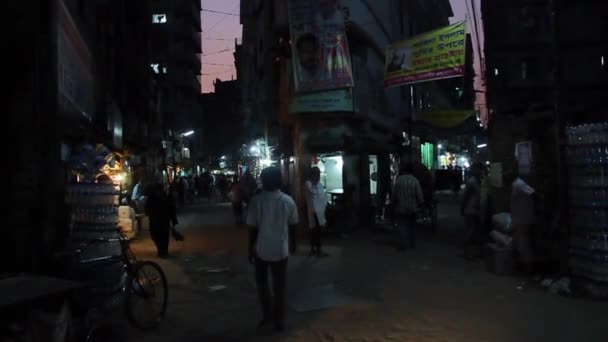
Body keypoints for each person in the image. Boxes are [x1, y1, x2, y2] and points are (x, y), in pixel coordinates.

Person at [247, 167, 298, 332]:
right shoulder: (288, 201)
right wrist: (293, 244)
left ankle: (267, 317)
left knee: (262, 285)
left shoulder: (256, 201)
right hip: (280, 250)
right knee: (279, 287)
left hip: (261, 249)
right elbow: (293, 225)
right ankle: (279, 321)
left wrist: (250, 248)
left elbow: (253, 229)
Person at [507, 171, 538, 273]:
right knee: (517, 243)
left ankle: (528, 268)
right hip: (519, 218)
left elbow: (533, 193)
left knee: (522, 244)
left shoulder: (519, 184)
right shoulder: (516, 184)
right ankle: (520, 266)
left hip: (523, 219)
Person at [392, 162, 424, 250]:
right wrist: (421, 204)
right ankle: (412, 243)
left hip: (401, 207)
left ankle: (403, 243)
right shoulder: (415, 180)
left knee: (402, 225)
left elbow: (394, 194)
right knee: (412, 225)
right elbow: (419, 195)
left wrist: (393, 204)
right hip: (413, 207)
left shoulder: (398, 180)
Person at [145, 183, 180, 258]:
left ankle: (164, 251)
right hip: (155, 221)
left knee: (164, 236)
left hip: (163, 221)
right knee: (156, 236)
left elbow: (171, 209)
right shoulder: (152, 198)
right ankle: (161, 250)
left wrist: (174, 221)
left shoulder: (165, 197)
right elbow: (147, 209)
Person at [460, 162, 485, 259]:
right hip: (470, 210)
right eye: (480, 170)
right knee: (470, 232)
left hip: (476, 210)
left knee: (475, 232)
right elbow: (465, 197)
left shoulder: (477, 181)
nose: (482, 172)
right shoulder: (472, 181)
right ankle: (467, 253)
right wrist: (462, 208)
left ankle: (474, 252)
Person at [304, 167, 329, 257]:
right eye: (316, 174)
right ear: (312, 174)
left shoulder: (319, 184)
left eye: (318, 174)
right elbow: (313, 193)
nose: (318, 176)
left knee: (317, 230)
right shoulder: (308, 183)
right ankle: (316, 249)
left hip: (320, 211)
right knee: (315, 230)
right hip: (313, 211)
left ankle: (315, 249)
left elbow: (322, 194)